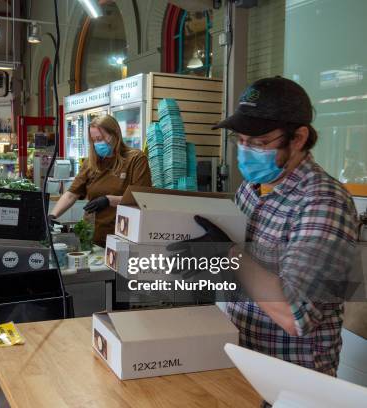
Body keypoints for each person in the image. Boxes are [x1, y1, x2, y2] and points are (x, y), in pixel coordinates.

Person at [177, 77, 358, 378]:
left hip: (293, 378)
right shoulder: (251, 189)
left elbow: (296, 315)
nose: (245, 150)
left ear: (298, 138)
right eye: (240, 140)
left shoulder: (324, 202)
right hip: (242, 359)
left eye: (259, 142)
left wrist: (229, 254)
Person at [50, 115, 152, 247]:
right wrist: (53, 215)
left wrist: (109, 200)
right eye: (94, 140)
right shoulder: (91, 163)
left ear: (115, 134)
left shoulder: (135, 159)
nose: (98, 144)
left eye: (100, 138)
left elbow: (142, 199)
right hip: (92, 237)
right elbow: (71, 194)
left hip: (123, 238)